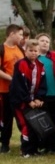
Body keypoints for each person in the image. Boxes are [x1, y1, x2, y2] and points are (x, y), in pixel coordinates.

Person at [9, 39, 45, 157]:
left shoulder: (40, 65)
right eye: (31, 50)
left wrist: (39, 98)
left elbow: (42, 84)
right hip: (20, 102)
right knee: (25, 125)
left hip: (33, 100)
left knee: (34, 124)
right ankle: (25, 150)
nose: (33, 53)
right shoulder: (20, 65)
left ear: (39, 52)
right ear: (25, 51)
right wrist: (28, 100)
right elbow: (18, 86)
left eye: (36, 51)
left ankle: (34, 149)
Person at [37, 33, 55, 153]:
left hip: (54, 94)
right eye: (42, 41)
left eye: (47, 41)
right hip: (40, 96)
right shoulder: (34, 57)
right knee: (42, 121)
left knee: (54, 121)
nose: (45, 43)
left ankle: (54, 146)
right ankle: (43, 145)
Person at [0, 24, 25, 153]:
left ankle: (25, 142)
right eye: (20, 34)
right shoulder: (2, 49)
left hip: (19, 91)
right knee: (6, 118)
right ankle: (4, 144)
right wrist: (11, 78)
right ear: (12, 34)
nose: (22, 37)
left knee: (22, 117)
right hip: (5, 90)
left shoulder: (20, 49)